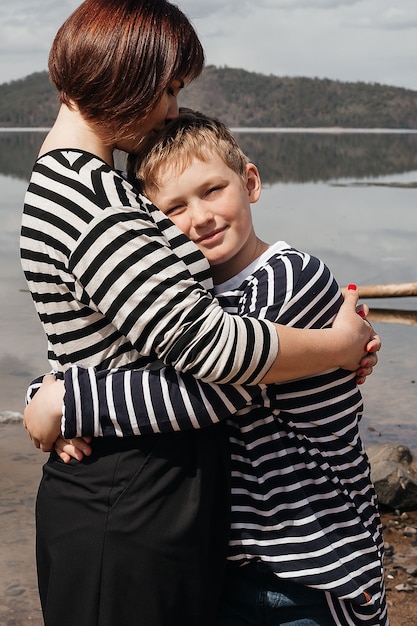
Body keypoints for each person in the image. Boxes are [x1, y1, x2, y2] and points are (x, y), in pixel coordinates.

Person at [21, 2, 380, 625]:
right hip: (133, 500)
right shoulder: (97, 202)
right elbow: (216, 356)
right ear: (123, 74)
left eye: (213, 190)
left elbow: (101, 341)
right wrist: (338, 346)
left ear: (250, 181)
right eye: (166, 88)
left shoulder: (96, 188)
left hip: (272, 551)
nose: (170, 108)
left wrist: (61, 397)